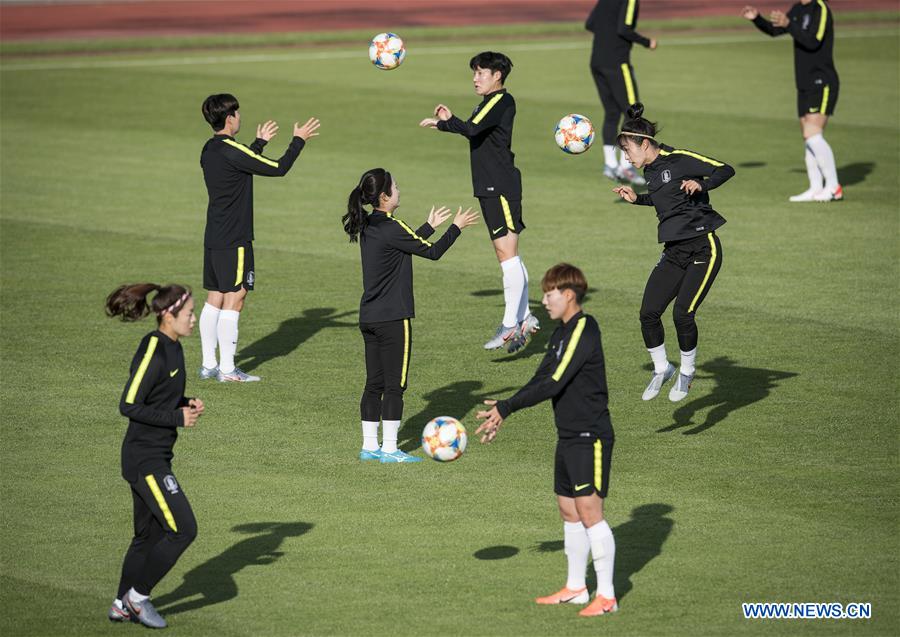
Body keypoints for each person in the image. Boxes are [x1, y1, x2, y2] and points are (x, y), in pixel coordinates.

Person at [475, 264, 618, 617]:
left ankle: (608, 595)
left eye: (549, 294)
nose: (544, 300)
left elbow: (554, 380)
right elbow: (541, 375)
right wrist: (503, 409)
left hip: (590, 436)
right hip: (568, 435)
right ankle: (575, 588)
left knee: (589, 511)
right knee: (568, 510)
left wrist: (508, 408)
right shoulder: (559, 333)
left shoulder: (585, 328)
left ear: (568, 295)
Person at [343, 168, 479, 463]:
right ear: (384, 196)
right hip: (394, 318)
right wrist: (456, 227)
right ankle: (390, 449)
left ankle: (369, 446)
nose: (400, 190)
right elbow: (432, 252)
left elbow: (401, 245)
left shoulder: (368, 224)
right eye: (396, 186)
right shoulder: (393, 225)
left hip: (369, 317)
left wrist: (428, 225)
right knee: (394, 386)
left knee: (373, 383)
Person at [612, 103, 735, 402]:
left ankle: (687, 372)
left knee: (683, 314)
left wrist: (702, 183)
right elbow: (666, 200)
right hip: (674, 252)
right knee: (648, 314)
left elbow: (725, 169)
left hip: (703, 248)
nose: (626, 157)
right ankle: (662, 368)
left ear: (644, 143)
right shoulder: (651, 171)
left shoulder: (678, 159)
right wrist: (636, 199)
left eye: (628, 150)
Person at [419, 51, 539, 354]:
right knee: (507, 253)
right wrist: (447, 122)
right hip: (491, 184)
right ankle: (525, 318)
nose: (475, 78)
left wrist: (444, 124)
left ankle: (511, 323)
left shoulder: (501, 101)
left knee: (506, 253)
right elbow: (475, 129)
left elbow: (471, 129)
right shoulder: (488, 103)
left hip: (499, 185)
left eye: (480, 73)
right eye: (474, 73)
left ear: (497, 75)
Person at [197, 93, 321, 383]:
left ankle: (208, 365)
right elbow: (279, 168)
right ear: (230, 118)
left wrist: (259, 143)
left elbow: (239, 166)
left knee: (215, 296)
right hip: (235, 237)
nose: (240, 117)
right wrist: (298, 139)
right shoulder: (232, 150)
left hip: (214, 234)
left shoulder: (210, 149)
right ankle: (227, 370)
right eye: (238, 114)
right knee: (236, 296)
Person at [105, 283, 204, 629]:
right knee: (183, 529)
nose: (194, 319)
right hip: (145, 459)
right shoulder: (154, 348)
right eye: (190, 313)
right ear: (168, 316)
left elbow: (158, 397)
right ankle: (138, 597)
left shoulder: (175, 348)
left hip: (157, 455)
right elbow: (129, 404)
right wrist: (177, 418)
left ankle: (120, 604)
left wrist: (184, 402)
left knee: (146, 537)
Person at [743, 1, 842, 202]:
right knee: (808, 138)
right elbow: (775, 30)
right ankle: (815, 188)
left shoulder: (820, 9)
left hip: (822, 81)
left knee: (812, 134)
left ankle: (833, 187)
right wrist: (757, 19)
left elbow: (814, 41)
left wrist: (789, 24)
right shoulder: (798, 8)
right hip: (804, 83)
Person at [585, 0, 657, 185]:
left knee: (612, 113)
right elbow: (624, 29)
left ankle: (610, 164)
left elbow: (590, 24)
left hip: (597, 61)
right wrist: (647, 42)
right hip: (617, 62)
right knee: (633, 112)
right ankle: (626, 165)